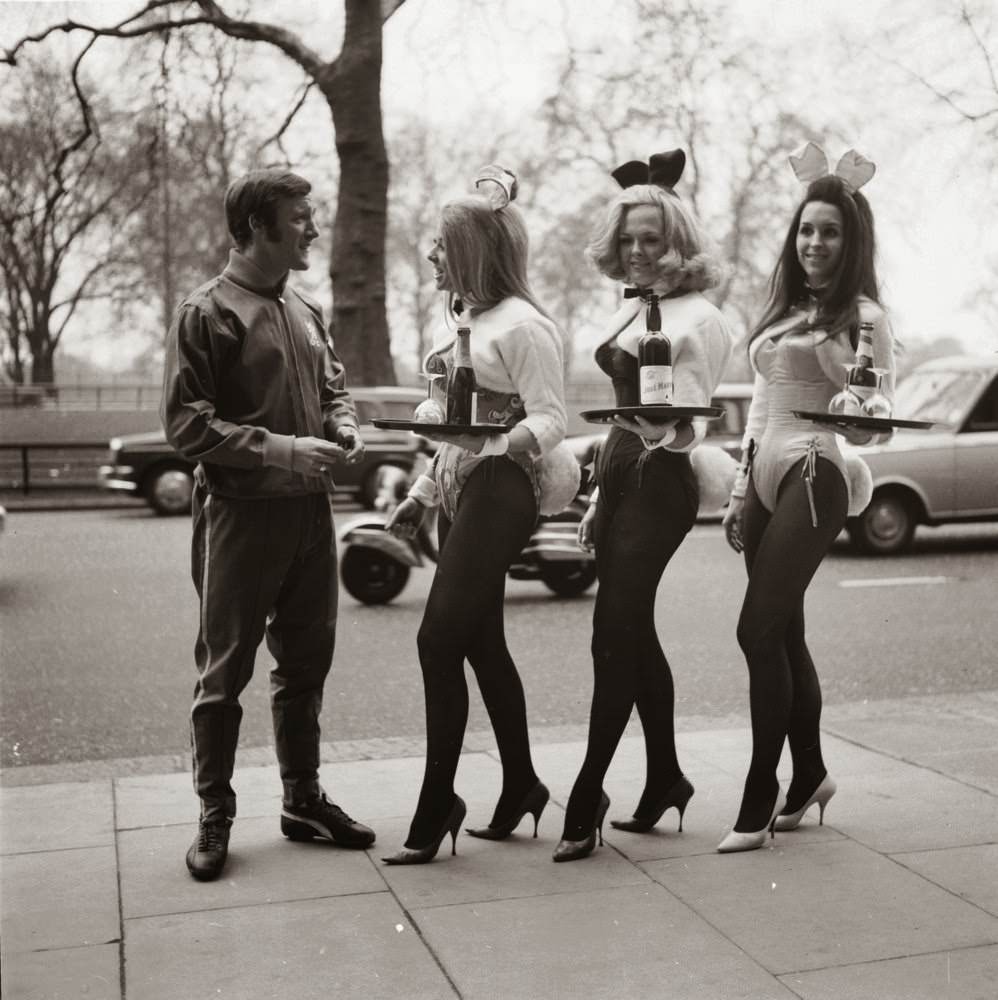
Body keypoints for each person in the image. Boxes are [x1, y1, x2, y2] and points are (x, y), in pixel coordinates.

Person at [161, 168, 376, 881]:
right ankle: (214, 815)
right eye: (300, 216)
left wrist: (344, 425)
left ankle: (302, 800)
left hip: (311, 515)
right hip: (241, 518)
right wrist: (284, 449)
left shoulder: (306, 309)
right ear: (258, 226)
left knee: (306, 665)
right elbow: (186, 424)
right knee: (224, 673)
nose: (314, 227)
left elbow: (332, 387)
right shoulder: (206, 312)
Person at [381, 166, 569, 865]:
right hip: (461, 491)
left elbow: (552, 418)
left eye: (439, 244)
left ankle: (438, 805)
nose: (430, 254)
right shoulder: (463, 321)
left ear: (470, 251)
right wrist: (421, 495)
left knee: (437, 640)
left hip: (502, 490)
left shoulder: (524, 326)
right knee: (481, 643)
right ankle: (521, 784)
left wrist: (501, 445)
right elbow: (453, 429)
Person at [554, 150, 733, 863]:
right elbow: (621, 421)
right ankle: (664, 777)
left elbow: (692, 424)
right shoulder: (631, 309)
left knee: (612, 632)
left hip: (664, 480)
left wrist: (662, 428)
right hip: (622, 469)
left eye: (650, 239)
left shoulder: (704, 319)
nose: (636, 251)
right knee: (634, 632)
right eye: (627, 239)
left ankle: (587, 788)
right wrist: (596, 495)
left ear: (678, 241)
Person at [719, 144, 895, 852]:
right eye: (806, 230)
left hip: (816, 466)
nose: (815, 242)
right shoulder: (782, 309)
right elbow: (761, 408)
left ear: (852, 243)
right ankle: (811, 772)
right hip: (766, 467)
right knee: (784, 633)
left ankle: (760, 790)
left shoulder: (864, 314)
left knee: (755, 630)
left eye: (830, 231)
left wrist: (836, 360)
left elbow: (876, 425)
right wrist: (737, 491)